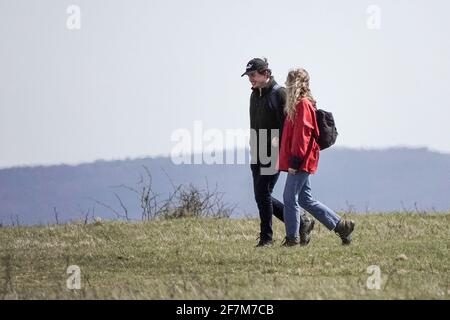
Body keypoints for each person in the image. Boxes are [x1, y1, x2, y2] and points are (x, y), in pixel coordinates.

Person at [241, 58, 315, 247]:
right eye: (249, 76)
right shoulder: (253, 95)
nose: (251, 79)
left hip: (273, 151)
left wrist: (282, 155)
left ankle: (266, 238)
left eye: (253, 75)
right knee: (260, 195)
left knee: (263, 192)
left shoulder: (279, 94)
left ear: (265, 73)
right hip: (257, 150)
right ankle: (301, 222)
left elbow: (288, 127)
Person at [278, 68, 355, 246]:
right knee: (305, 199)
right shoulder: (299, 105)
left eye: (288, 81)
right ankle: (342, 226)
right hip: (303, 158)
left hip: (301, 160)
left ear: (294, 84)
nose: (286, 85)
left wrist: (294, 161)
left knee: (289, 198)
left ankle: (292, 239)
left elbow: (302, 135)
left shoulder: (303, 105)